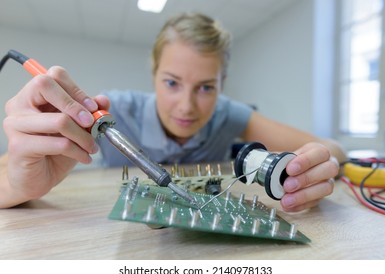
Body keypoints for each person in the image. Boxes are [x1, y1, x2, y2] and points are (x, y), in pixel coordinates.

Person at [1, 12, 345, 210]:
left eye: (206, 87)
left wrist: (313, 167)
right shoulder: (111, 109)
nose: (186, 106)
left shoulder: (229, 114)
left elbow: (332, 149)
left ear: (223, 85)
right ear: (153, 75)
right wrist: (17, 183)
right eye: (172, 83)